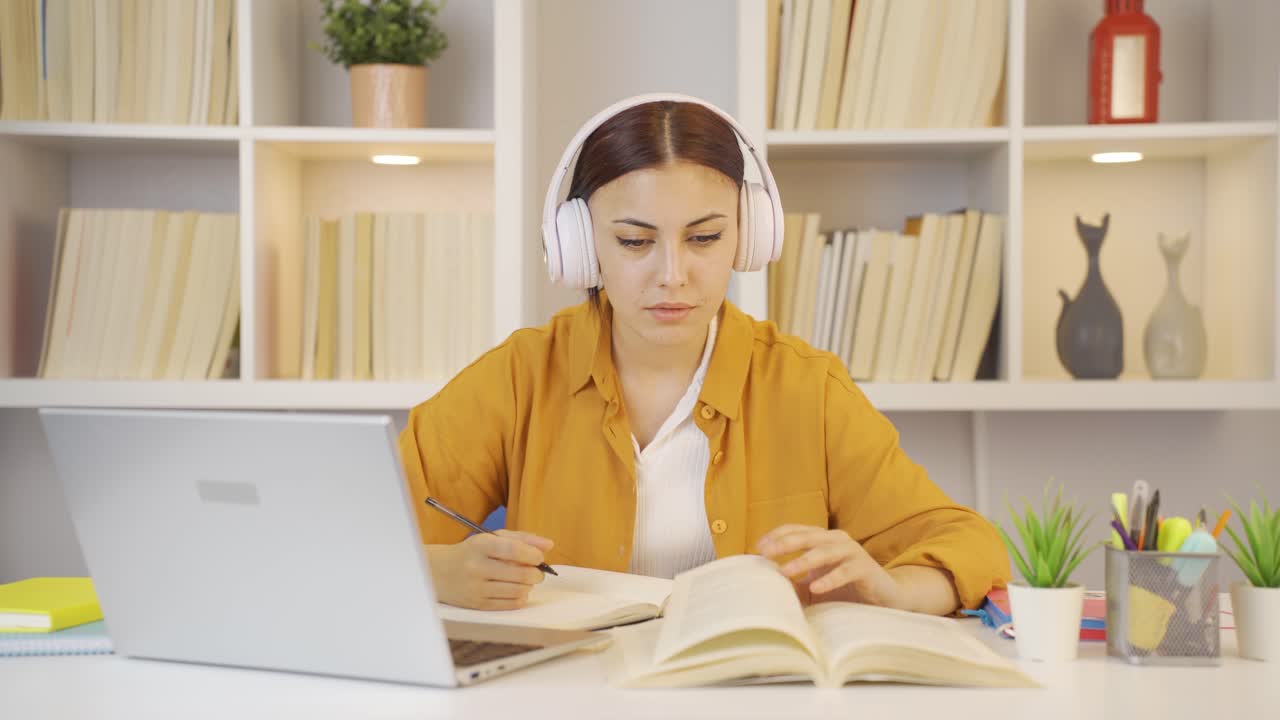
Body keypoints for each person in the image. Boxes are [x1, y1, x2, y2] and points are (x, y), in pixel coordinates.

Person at [398, 93, 1009, 616]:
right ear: (579, 245)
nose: (673, 274)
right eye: (634, 241)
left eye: (704, 237)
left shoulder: (806, 387)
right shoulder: (520, 376)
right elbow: (359, 535)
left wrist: (894, 590)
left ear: (748, 236)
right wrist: (438, 573)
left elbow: (967, 544)